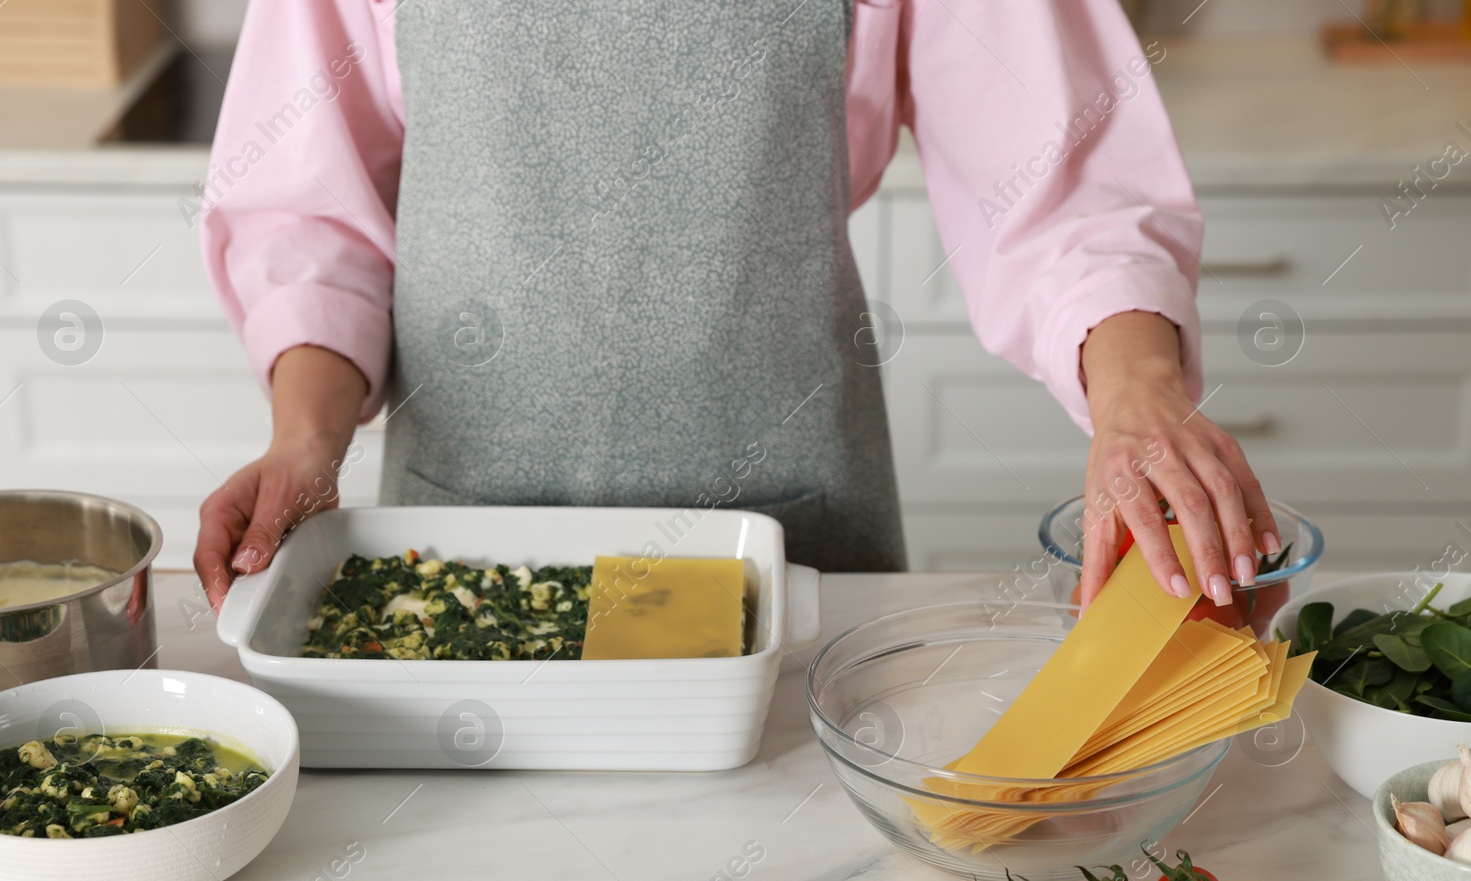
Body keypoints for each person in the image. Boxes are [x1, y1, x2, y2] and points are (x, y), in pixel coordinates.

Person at [194, 0, 1278, 614]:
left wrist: (1137, 395)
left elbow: (1060, 180)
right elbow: (310, 216)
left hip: (794, 538)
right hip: (456, 547)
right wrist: (304, 438)